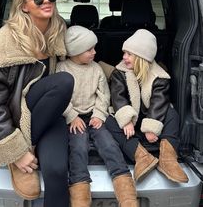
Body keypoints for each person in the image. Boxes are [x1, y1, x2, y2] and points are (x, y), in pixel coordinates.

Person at [0, 0, 74, 207]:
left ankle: (28, 147)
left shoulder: (57, 34)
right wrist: (16, 151)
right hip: (17, 121)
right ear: (23, 7)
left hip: (49, 114)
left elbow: (84, 62)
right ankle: (20, 150)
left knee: (57, 170)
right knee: (63, 82)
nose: (46, 1)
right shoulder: (8, 43)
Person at [56, 25, 138, 207]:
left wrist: (99, 115)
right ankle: (79, 193)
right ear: (76, 51)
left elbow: (104, 95)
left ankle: (126, 192)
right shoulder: (61, 69)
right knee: (78, 146)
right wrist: (71, 116)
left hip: (94, 114)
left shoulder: (96, 69)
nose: (94, 52)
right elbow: (58, 97)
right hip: (73, 117)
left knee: (109, 144)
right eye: (89, 49)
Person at [106, 29, 189, 183]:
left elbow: (159, 102)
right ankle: (141, 156)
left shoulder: (160, 77)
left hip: (150, 116)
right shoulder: (120, 73)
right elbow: (118, 97)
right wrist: (126, 120)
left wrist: (151, 128)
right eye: (124, 53)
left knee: (172, 113)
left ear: (142, 57)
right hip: (130, 122)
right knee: (109, 120)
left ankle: (168, 158)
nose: (124, 57)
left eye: (129, 54)